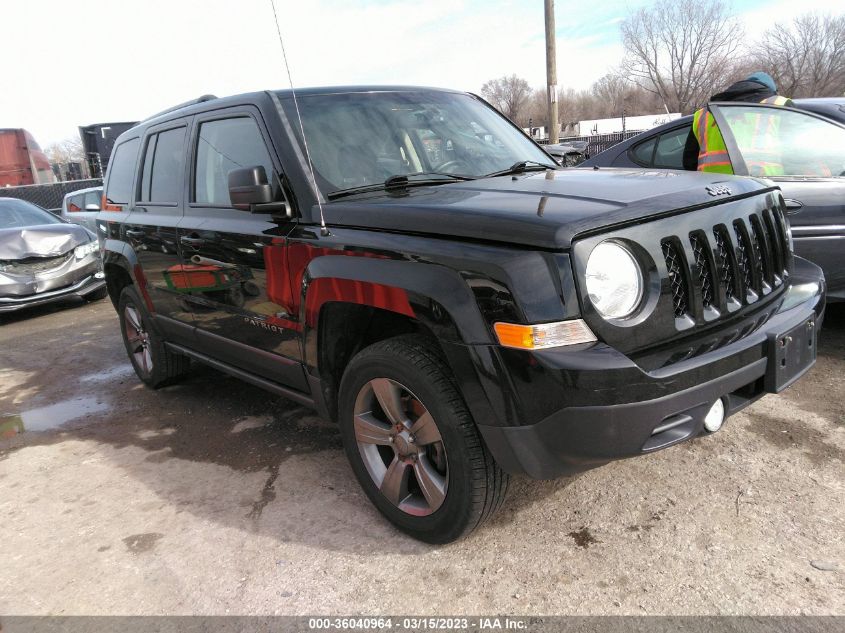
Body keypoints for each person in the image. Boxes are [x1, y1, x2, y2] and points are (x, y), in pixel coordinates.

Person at [683, 72, 794, 173]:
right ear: (772, 92)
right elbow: (796, 156)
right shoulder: (780, 106)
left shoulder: (704, 114)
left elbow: (689, 162)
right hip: (765, 187)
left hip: (713, 190)